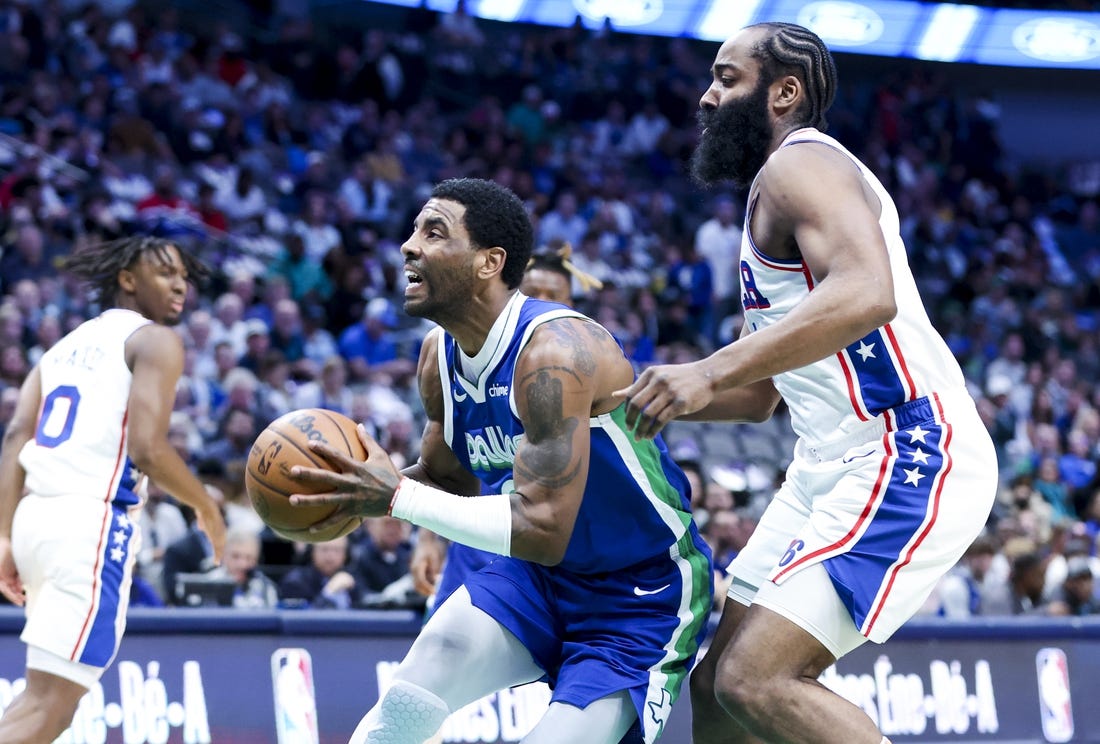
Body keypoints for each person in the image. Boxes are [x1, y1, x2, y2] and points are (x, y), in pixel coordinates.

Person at [613, 23, 998, 744]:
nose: (707, 96)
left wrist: (709, 367)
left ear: (783, 92)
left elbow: (868, 291)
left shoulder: (802, 164)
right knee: (718, 684)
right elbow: (763, 394)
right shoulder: (771, 196)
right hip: (824, 466)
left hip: (906, 449)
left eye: (727, 78)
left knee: (755, 677)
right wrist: (616, 400)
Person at [288, 178, 712, 744]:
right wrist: (350, 490)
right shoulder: (437, 356)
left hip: (637, 596)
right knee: (403, 711)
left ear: (490, 262)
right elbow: (448, 481)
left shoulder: (555, 352)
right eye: (413, 230)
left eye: (433, 232)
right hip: (535, 580)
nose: (407, 246)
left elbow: (543, 529)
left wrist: (395, 497)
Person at [0, 236, 227, 743]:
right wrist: (204, 505)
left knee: (41, 700)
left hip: (36, 518)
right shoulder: (156, 340)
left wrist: (6, 537)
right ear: (127, 279)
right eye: (165, 272)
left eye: (185, 277)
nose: (179, 285)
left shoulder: (62, 347)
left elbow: (17, 435)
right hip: (90, 524)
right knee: (50, 708)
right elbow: (148, 448)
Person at [411, 240, 605, 612]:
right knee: (444, 659)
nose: (546, 301)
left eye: (556, 295)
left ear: (573, 305)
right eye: (536, 293)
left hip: (553, 548)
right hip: (477, 539)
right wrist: (427, 539)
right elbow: (445, 462)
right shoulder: (464, 358)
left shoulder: (580, 362)